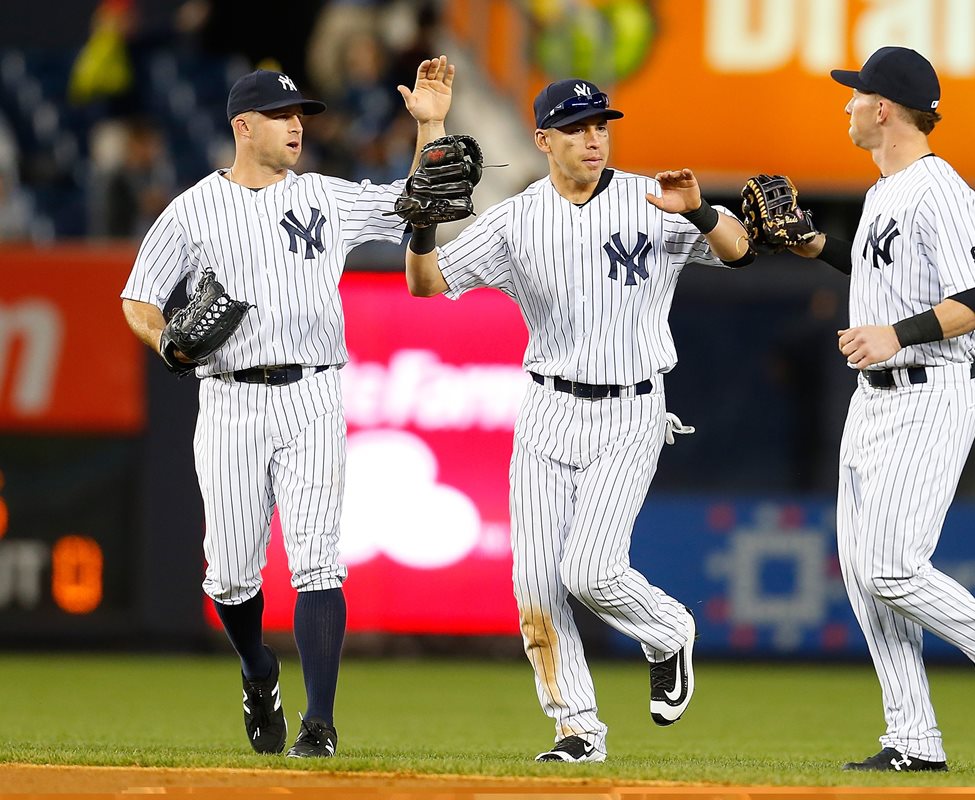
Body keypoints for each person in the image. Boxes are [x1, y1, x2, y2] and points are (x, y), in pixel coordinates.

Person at [399, 56, 754, 763]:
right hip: (546, 411)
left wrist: (705, 211)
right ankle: (577, 729)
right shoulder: (517, 221)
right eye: (575, 128)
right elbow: (425, 284)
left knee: (590, 570)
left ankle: (667, 630)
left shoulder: (652, 199)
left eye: (600, 126)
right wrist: (420, 227)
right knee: (533, 587)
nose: (593, 139)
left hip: (630, 410)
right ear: (544, 141)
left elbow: (740, 250)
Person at [780, 46, 975, 771]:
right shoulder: (886, 190)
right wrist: (812, 242)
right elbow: (880, 269)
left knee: (894, 569)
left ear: (883, 108)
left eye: (854, 95)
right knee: (864, 577)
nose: (845, 105)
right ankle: (912, 738)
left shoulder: (942, 191)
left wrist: (896, 335)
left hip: (928, 392)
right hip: (872, 402)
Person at [120, 68, 411, 758]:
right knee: (228, 574)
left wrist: (428, 126)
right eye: (281, 113)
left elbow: (416, 200)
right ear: (243, 126)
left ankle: (320, 723)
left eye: (300, 112)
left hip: (312, 391)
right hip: (228, 398)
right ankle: (258, 671)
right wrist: (167, 340)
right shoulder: (193, 210)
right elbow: (137, 297)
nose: (297, 123)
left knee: (316, 565)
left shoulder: (324, 195)